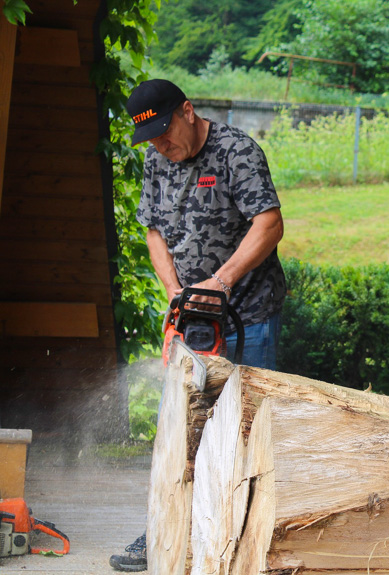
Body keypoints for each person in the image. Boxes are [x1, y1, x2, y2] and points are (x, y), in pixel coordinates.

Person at [109, 79, 287, 572]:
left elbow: (269, 224)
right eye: (153, 140)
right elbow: (153, 231)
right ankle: (164, 527)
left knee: (247, 431)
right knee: (181, 428)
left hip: (249, 316)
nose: (163, 146)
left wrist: (222, 280)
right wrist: (174, 294)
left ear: (188, 111)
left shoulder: (237, 151)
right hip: (192, 320)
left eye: (167, 133)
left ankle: (246, 540)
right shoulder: (155, 157)